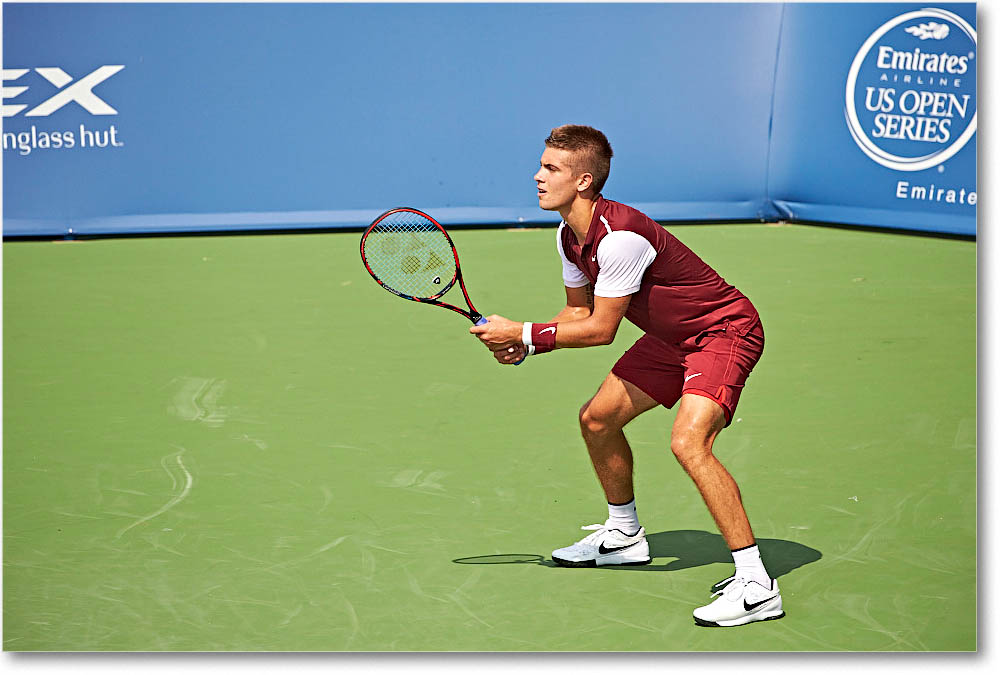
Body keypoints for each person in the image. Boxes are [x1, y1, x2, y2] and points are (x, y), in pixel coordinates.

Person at [469, 125, 784, 628]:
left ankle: (756, 584)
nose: (538, 176)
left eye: (551, 168)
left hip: (723, 332)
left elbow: (600, 331)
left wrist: (524, 332)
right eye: (542, 165)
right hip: (670, 339)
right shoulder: (569, 236)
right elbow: (576, 314)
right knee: (597, 420)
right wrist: (524, 344)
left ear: (584, 180)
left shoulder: (620, 239)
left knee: (689, 443)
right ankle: (624, 536)